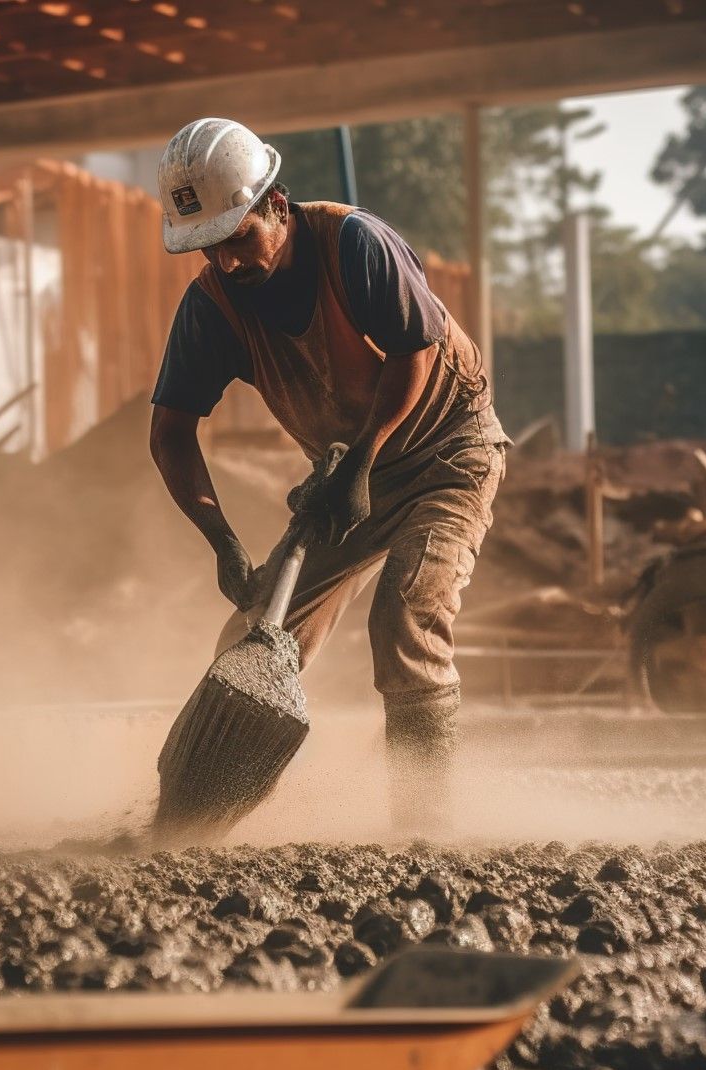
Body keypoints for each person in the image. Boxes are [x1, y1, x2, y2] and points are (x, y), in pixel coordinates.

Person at [147, 117, 508, 831]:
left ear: (276, 205)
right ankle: (196, 826)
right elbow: (170, 433)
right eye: (208, 249)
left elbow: (417, 350)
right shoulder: (212, 308)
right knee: (250, 637)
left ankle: (423, 828)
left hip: (447, 454)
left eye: (238, 239)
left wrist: (365, 460)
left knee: (406, 612)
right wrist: (221, 539)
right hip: (348, 473)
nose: (226, 263)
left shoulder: (353, 245)